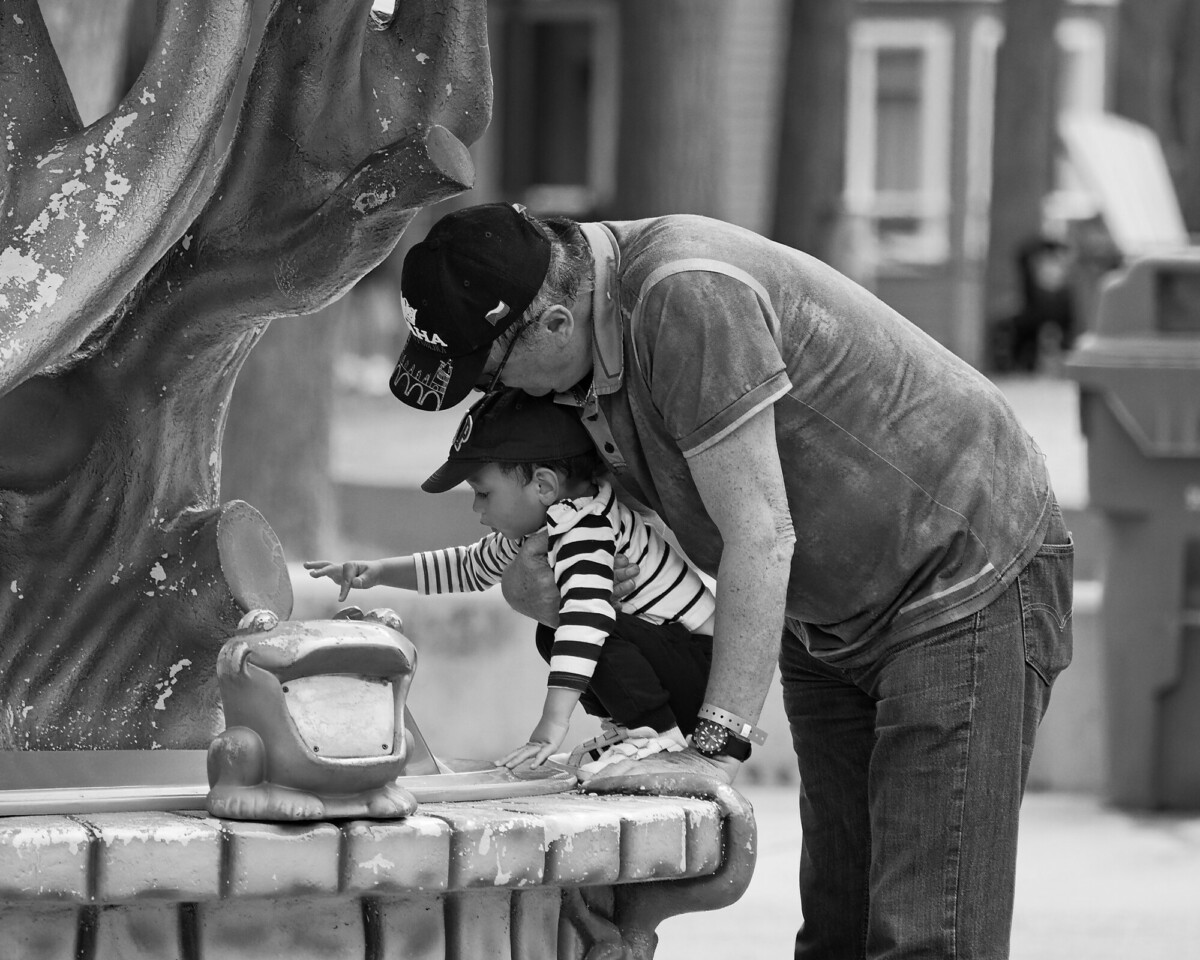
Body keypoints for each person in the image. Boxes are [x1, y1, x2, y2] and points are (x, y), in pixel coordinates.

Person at [387, 201, 1075, 959]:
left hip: (958, 575)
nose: (494, 394)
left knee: (925, 941)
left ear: (553, 323)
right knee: (838, 936)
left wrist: (710, 748)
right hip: (827, 611)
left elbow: (760, 531)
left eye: (488, 370)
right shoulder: (569, 342)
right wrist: (532, 589)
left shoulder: (687, 297)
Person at [305, 387, 716, 773]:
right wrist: (377, 573)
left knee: (576, 631)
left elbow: (586, 621)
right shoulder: (543, 528)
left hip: (696, 669)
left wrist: (551, 726)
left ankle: (656, 736)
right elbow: (468, 567)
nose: (475, 506)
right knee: (553, 632)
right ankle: (637, 730)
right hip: (672, 664)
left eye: (483, 493)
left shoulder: (585, 526)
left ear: (543, 485)